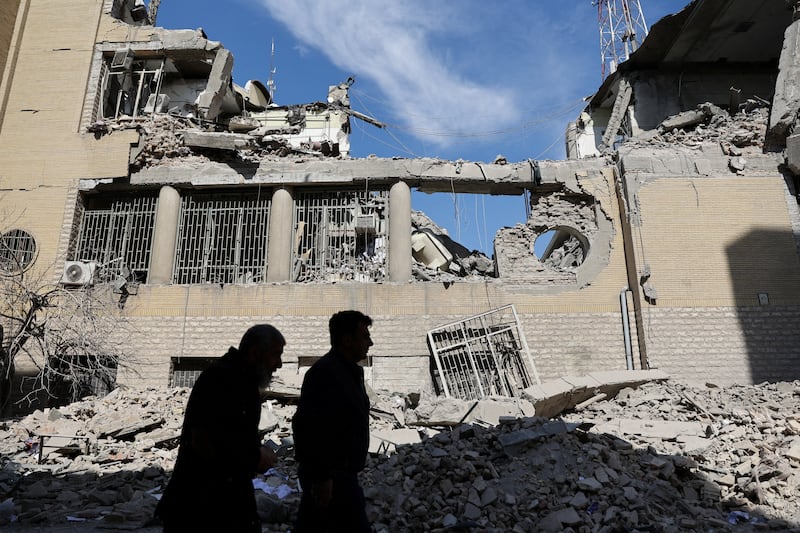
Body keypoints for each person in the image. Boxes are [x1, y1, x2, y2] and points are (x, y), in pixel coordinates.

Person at [155, 324, 285, 532]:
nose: (278, 364)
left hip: (225, 501)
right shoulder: (222, 379)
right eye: (275, 355)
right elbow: (204, 441)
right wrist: (255, 457)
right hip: (203, 507)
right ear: (254, 353)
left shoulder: (242, 381)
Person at [292, 310, 373, 533]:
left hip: (341, 476)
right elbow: (308, 427)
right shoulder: (325, 374)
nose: (370, 343)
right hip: (331, 478)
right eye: (365, 336)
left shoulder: (350, 373)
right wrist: (321, 477)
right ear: (347, 340)